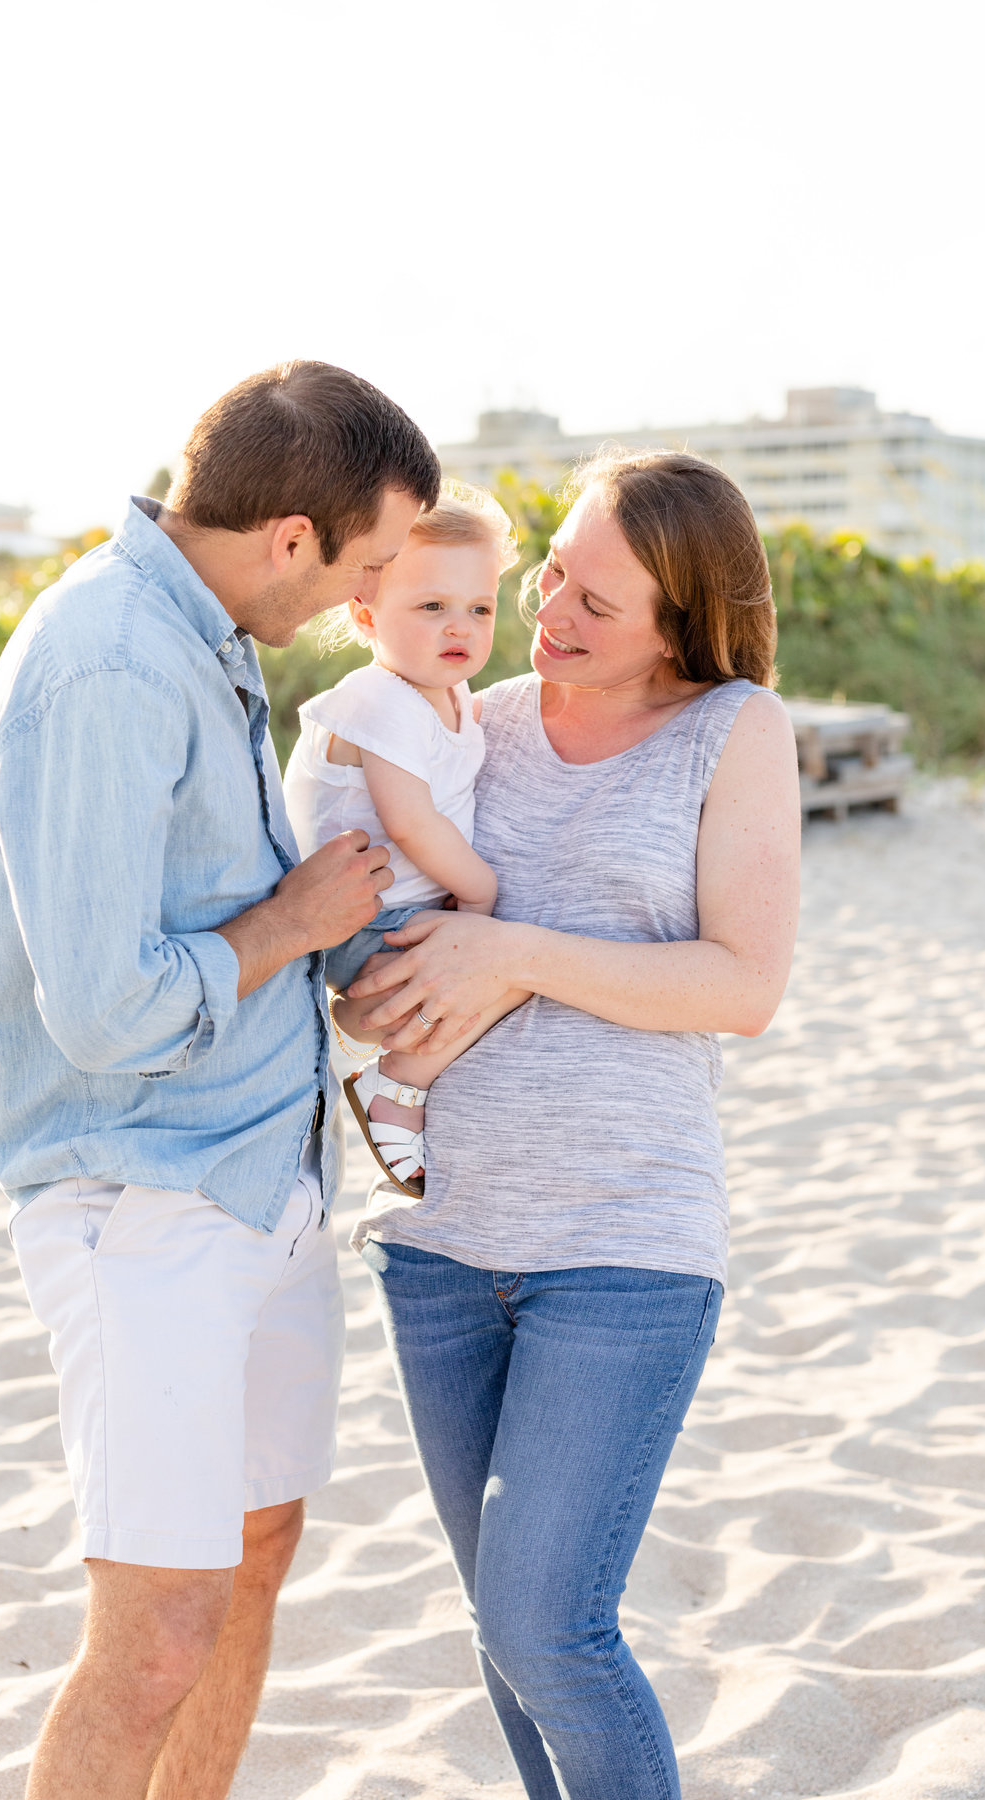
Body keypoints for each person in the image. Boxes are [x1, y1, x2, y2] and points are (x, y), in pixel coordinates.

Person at [0, 360, 439, 1800]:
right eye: (365, 563)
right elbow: (107, 1008)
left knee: (250, 1562)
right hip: (146, 1203)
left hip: (259, 1185)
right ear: (291, 536)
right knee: (160, 1627)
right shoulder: (109, 658)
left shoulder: (206, 638)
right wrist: (291, 924)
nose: (364, 599)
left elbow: (211, 909)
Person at [344, 451, 802, 1800]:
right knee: (504, 1638)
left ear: (681, 620)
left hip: (624, 1252)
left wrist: (518, 955)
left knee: (551, 1623)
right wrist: (389, 994)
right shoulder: (459, 722)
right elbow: (385, 966)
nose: (551, 616)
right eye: (554, 577)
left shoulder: (735, 729)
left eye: (600, 604)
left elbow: (744, 984)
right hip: (439, 1249)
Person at [283, 482, 519, 1196]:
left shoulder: (448, 697)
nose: (461, 629)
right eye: (431, 607)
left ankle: (367, 1034)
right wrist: (478, 892)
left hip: (405, 909)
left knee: (515, 968)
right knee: (503, 972)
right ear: (365, 612)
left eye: (478, 608)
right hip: (362, 919)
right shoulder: (379, 700)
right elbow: (412, 819)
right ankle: (392, 1076)